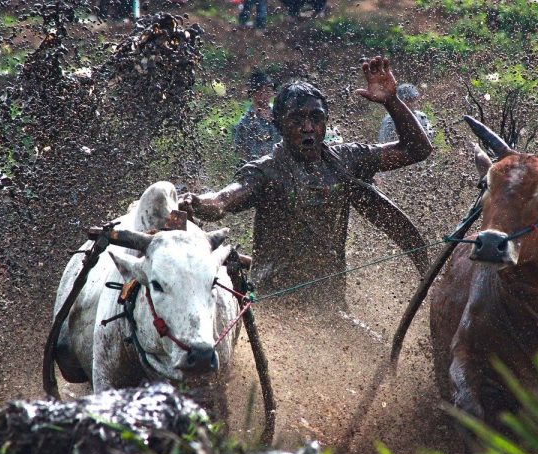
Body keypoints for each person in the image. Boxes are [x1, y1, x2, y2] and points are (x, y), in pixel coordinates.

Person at [182, 57, 432, 308]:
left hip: (331, 307)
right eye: (297, 119)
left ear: (326, 121)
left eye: (316, 118)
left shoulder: (348, 159)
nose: (308, 127)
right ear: (278, 124)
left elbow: (417, 150)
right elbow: (223, 200)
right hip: (274, 309)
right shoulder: (265, 173)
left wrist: (392, 101)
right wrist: (195, 202)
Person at [232, 71, 281, 162]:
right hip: (257, 167)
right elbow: (240, 150)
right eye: (262, 91)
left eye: (268, 90)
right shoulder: (245, 121)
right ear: (254, 93)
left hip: (280, 165)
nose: (266, 94)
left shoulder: (278, 113)